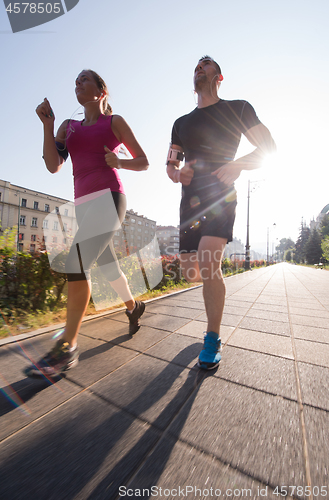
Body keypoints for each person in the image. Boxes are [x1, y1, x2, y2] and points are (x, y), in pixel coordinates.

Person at [25, 69, 148, 378]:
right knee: (108, 267)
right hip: (83, 206)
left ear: (100, 90)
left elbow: (143, 161)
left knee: (77, 263)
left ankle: (67, 347)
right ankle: (134, 308)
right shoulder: (69, 126)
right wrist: (49, 126)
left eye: (84, 79)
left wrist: (119, 162)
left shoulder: (113, 122)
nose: (77, 83)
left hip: (110, 199)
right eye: (75, 80)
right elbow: (54, 165)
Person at [167, 56, 276, 370]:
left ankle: (212, 337)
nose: (200, 67)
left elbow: (269, 146)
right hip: (190, 202)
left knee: (207, 261)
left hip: (220, 194)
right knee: (191, 272)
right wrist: (176, 174)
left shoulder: (238, 108)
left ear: (220, 76)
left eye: (206, 64)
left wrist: (239, 165)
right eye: (196, 66)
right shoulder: (180, 123)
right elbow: (170, 164)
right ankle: (214, 287)